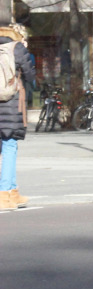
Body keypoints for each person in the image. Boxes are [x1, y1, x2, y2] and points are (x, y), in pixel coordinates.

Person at [0, 24, 37, 210]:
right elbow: (30, 75)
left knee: (4, 147)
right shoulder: (17, 48)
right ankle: (4, 194)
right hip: (10, 103)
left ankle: (13, 192)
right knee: (9, 146)